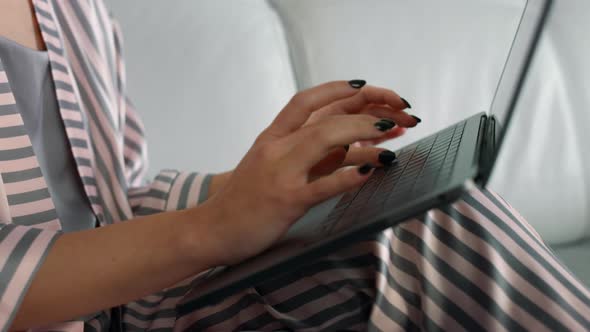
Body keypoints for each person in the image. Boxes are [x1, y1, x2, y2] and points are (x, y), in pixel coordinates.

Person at [0, 0, 588, 331]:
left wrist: (268, 185)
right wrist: (212, 231)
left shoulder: (72, 8)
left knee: (419, 225)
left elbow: (114, 199)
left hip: (128, 309)